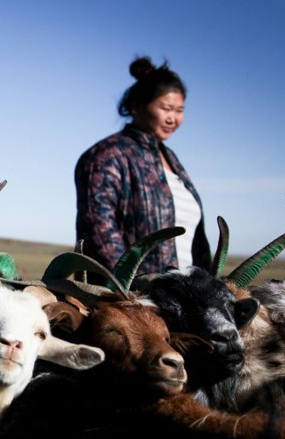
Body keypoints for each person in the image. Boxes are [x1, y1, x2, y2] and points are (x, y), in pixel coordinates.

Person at [74, 56, 211, 276]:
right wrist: (135, 288)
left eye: (179, 110)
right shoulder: (106, 156)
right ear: (137, 106)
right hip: (134, 301)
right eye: (166, 108)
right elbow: (100, 233)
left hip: (185, 296)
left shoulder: (172, 160)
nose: (172, 119)